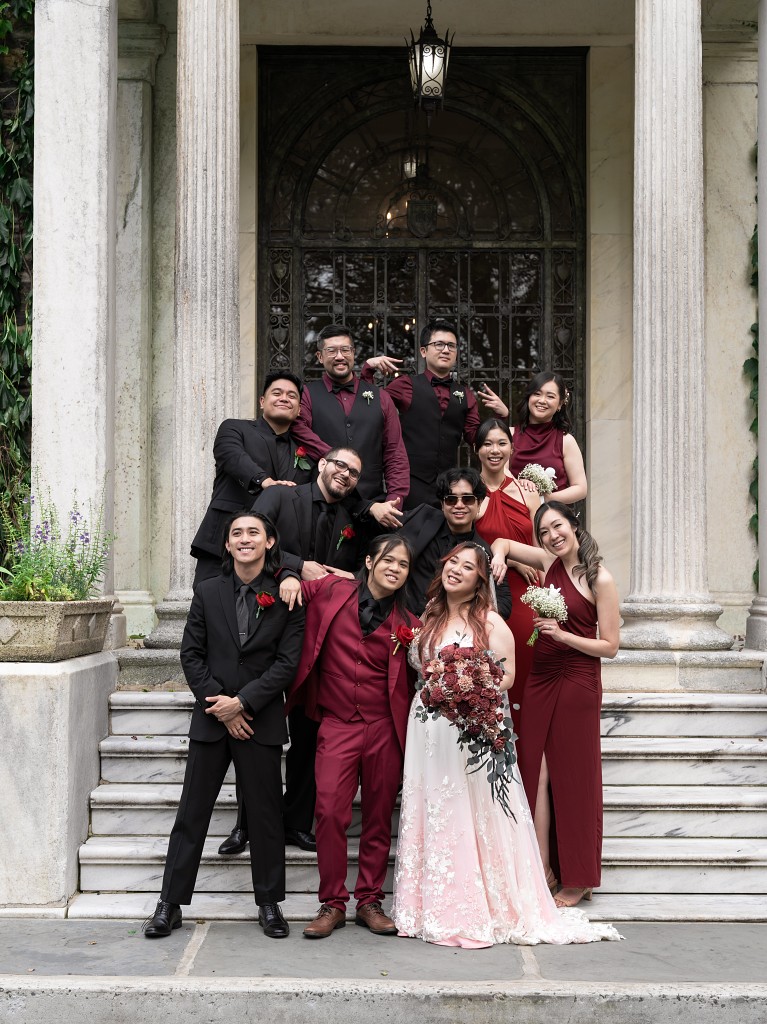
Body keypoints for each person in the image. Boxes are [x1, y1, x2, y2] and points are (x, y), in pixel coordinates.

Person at [392, 541, 620, 947]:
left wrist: (469, 688)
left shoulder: (490, 622)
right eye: (452, 563)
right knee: (434, 806)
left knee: (466, 810)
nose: (456, 570)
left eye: (468, 567)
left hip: (469, 728)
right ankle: (428, 904)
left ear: (481, 580)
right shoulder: (428, 616)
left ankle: (473, 906)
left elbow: (509, 675)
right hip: (427, 728)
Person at [144, 512, 305, 940]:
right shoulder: (207, 591)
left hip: (260, 721)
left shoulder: (286, 595)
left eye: (254, 532)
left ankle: (269, 903)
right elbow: (191, 655)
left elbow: (287, 663)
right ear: (228, 545)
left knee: (266, 816)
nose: (245, 538)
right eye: (237, 533)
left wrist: (244, 703)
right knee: (191, 814)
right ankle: (169, 904)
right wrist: (222, 706)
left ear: (270, 542)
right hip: (212, 720)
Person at [216, 447, 365, 858]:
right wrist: (296, 568)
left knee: (310, 731)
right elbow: (251, 542)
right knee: (254, 730)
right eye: (340, 465)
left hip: (320, 639)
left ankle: (297, 821)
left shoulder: (352, 517)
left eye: (354, 472)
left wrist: (350, 575)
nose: (345, 474)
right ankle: (247, 824)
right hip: (265, 628)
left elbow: (364, 568)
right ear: (323, 464)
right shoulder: (282, 496)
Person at [285, 534, 421, 939]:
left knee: (378, 816)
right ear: (369, 561)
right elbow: (288, 583)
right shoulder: (332, 590)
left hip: (385, 727)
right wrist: (289, 576)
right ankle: (332, 903)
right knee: (328, 811)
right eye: (389, 560)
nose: (395, 568)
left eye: (403, 564)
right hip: (337, 722)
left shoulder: (410, 624)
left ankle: (369, 901)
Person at [490, 502, 620, 909]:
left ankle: (578, 877)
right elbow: (502, 541)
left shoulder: (600, 577)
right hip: (541, 677)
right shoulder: (548, 561)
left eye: (557, 526)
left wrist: (564, 637)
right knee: (535, 770)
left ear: (574, 525)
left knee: (574, 776)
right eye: (544, 531)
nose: (551, 536)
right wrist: (499, 557)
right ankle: (541, 867)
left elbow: (610, 646)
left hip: (578, 679)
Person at [361, 319, 509, 508]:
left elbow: (475, 438)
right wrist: (368, 369)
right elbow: (372, 408)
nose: (446, 350)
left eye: (451, 346)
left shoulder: (465, 395)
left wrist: (500, 417)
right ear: (423, 351)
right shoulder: (405, 385)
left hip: (448, 489)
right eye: (439, 344)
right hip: (409, 484)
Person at [191, 373, 312, 588]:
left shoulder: (307, 454)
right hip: (221, 546)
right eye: (277, 393)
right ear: (262, 402)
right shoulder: (234, 428)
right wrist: (265, 482)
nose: (284, 398)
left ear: (299, 409)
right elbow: (232, 456)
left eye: (292, 396)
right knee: (210, 606)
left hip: (274, 558)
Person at [292, 325, 409, 527]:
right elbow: (299, 431)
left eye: (345, 350)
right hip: (323, 507)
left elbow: (395, 453)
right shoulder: (307, 394)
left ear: (354, 353)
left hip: (373, 507)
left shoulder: (381, 397)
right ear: (320, 357)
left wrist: (394, 501)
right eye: (331, 351)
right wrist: (336, 458)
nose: (340, 356)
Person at [474, 418, 540, 732]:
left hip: (528, 594)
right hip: (488, 595)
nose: (495, 450)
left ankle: (529, 758)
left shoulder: (529, 494)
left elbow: (542, 551)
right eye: (487, 444)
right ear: (477, 450)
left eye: (501, 443)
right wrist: (512, 560)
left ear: (512, 449)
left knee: (527, 676)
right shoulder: (470, 495)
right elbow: (466, 549)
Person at [399, 467, 512, 619]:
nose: (459, 505)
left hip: (447, 627)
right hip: (401, 619)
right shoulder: (423, 518)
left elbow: (503, 604)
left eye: (467, 499)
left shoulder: (483, 551)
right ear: (442, 504)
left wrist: (464, 612)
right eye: (451, 499)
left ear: (479, 503)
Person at [510, 371, 587, 505]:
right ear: (529, 397)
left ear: (560, 404)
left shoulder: (566, 441)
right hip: (514, 511)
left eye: (550, 396)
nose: (542, 400)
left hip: (552, 513)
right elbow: (498, 478)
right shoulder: (510, 435)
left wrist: (544, 498)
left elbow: (580, 488)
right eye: (537, 394)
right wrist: (518, 486)